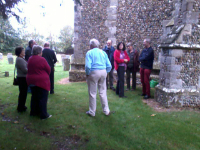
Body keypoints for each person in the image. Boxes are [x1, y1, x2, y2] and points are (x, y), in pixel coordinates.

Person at [85, 39, 111, 117]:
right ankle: (106, 111)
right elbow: (109, 65)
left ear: (91, 45)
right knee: (103, 92)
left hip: (94, 72)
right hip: (103, 71)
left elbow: (88, 66)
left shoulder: (89, 53)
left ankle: (92, 112)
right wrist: (106, 72)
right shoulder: (103, 52)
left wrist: (87, 74)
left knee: (92, 92)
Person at [26, 45, 52, 119]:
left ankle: (33, 112)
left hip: (31, 80)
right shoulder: (42, 59)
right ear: (39, 52)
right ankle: (43, 114)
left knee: (34, 97)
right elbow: (48, 69)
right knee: (43, 98)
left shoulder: (30, 58)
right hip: (41, 81)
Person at [15, 46, 28, 112]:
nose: (24, 52)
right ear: (20, 53)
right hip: (22, 78)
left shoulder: (21, 58)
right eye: (23, 51)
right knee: (23, 93)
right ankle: (20, 107)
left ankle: (22, 106)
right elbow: (25, 70)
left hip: (22, 78)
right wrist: (31, 69)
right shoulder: (19, 59)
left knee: (23, 93)